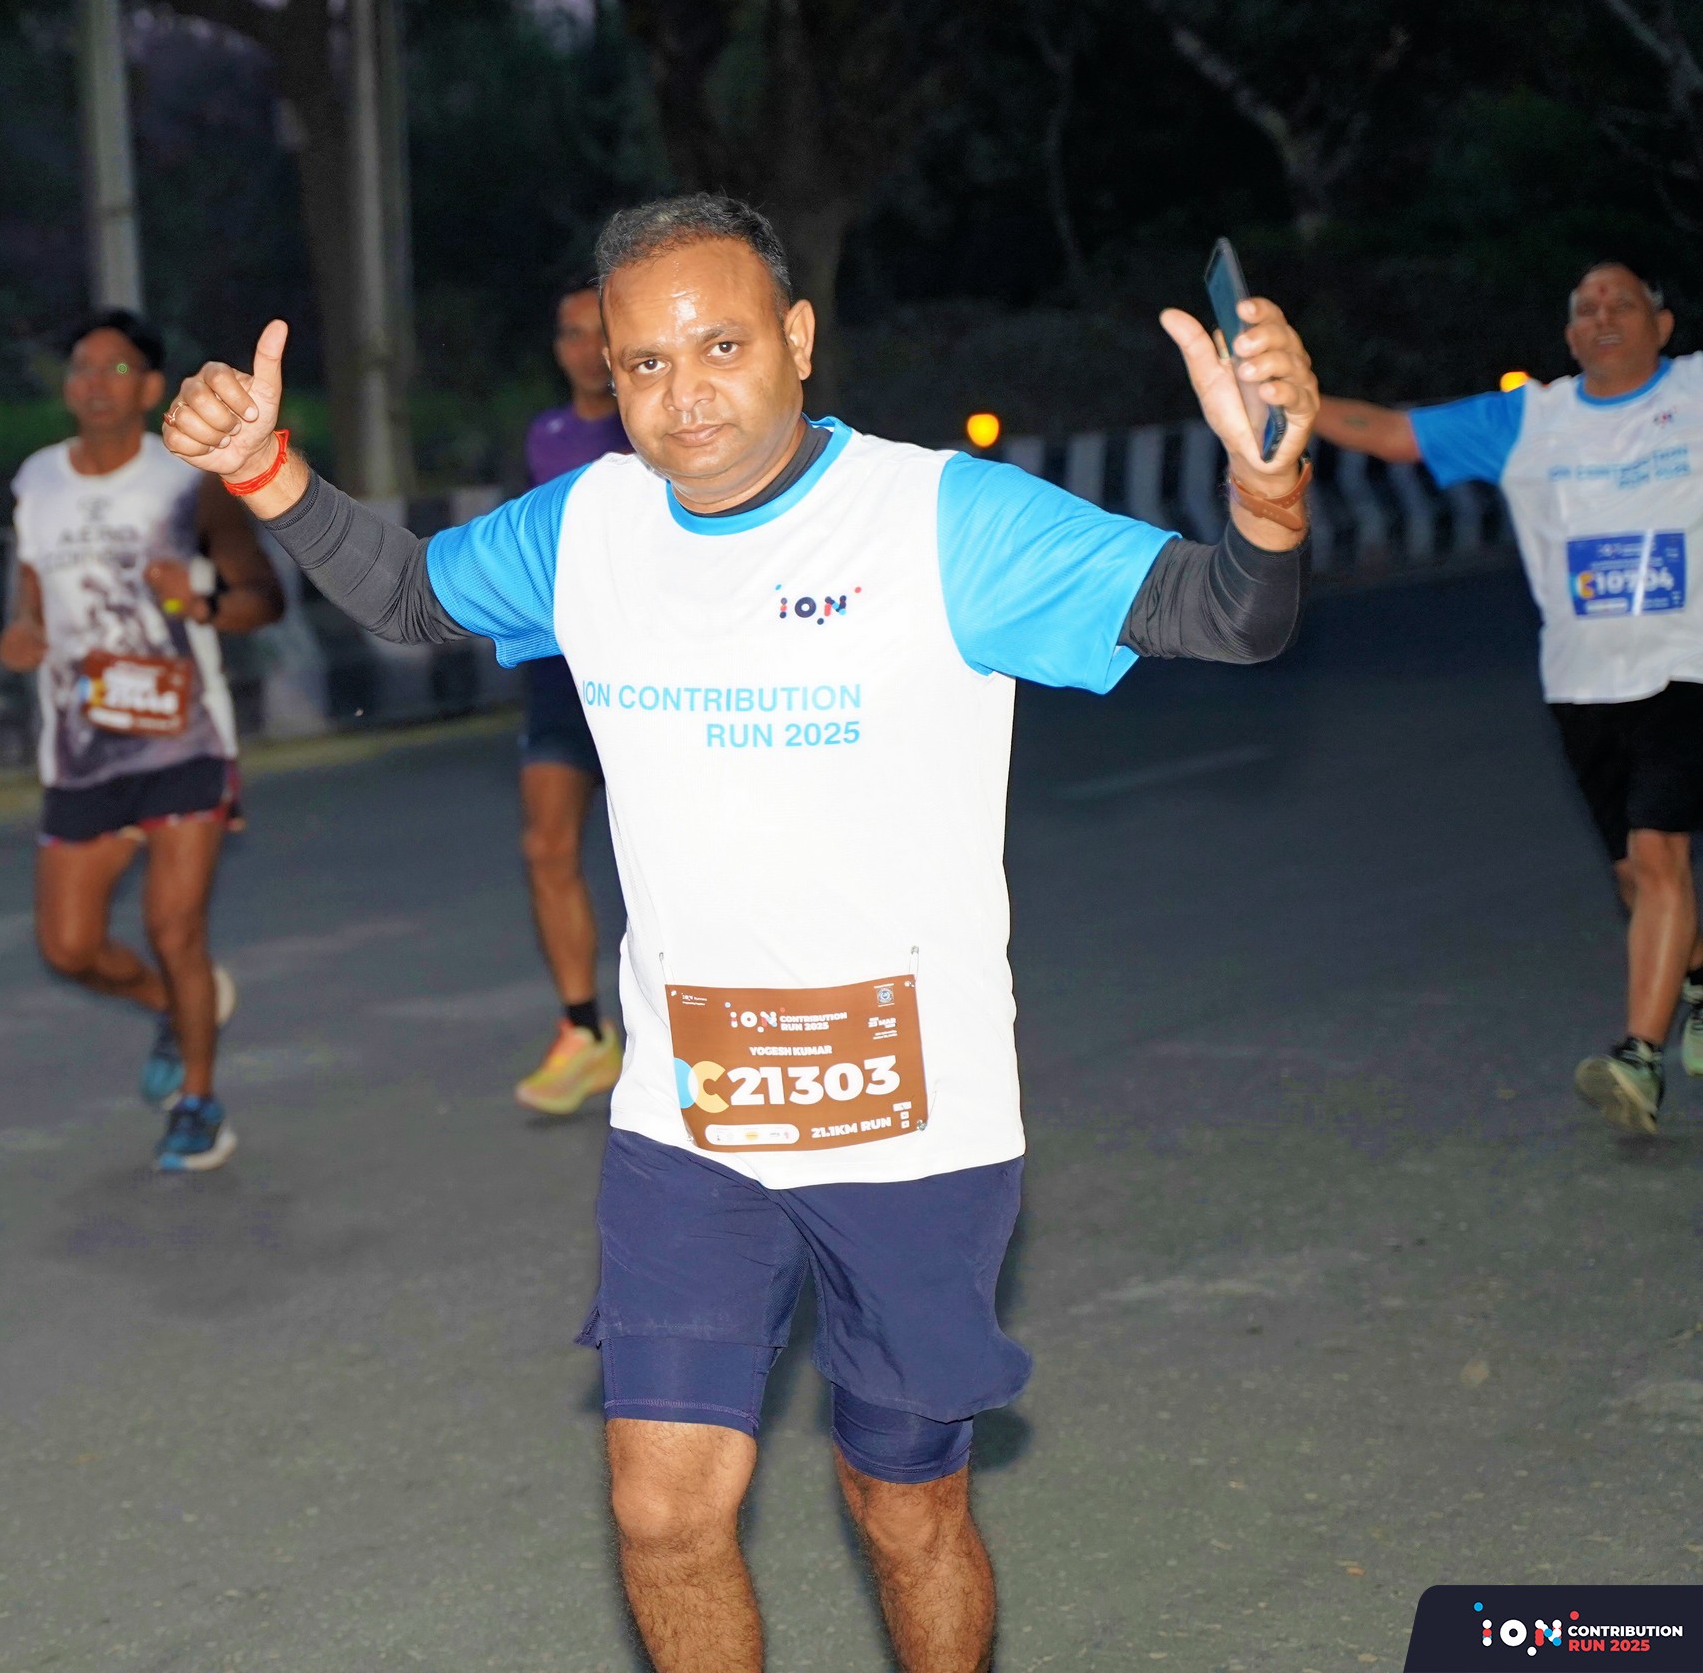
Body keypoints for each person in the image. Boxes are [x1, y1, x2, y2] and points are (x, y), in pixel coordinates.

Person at [161, 194, 1318, 1673]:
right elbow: (409, 591)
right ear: (610, 377)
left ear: (799, 337)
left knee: (902, 1510)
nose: (684, 393)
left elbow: (1230, 615)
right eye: (645, 363)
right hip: (691, 1120)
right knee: (662, 1513)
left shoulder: (943, 520)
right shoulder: (589, 526)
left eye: (721, 346)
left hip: (914, 1125)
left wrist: (1268, 498)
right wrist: (264, 469)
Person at [1316, 262, 1703, 1136]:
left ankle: (1639, 1058)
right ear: (1569, 337)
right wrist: (1291, 403)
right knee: (1634, 877)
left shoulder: (1696, 394)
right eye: (1585, 307)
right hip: (1581, 682)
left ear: (1662, 325)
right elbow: (1390, 431)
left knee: (1659, 853)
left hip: (1687, 669)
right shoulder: (1530, 418)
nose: (1603, 315)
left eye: (1623, 302)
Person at [0, 310, 282, 1171]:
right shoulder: (36, 482)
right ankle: (174, 1007)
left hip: (181, 739)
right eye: (82, 369)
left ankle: (198, 1102)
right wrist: (22, 634)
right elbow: (32, 602)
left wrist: (197, 599)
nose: (95, 384)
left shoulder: (186, 480)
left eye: (115, 369)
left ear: (151, 387)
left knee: (174, 925)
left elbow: (261, 597)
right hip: (81, 747)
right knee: (69, 947)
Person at [511, 285, 636, 1116]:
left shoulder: (657, 427)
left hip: (653, 671)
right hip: (562, 670)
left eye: (605, 333)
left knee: (674, 853)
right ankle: (585, 1031)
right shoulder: (539, 438)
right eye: (574, 334)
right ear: (558, 348)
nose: (590, 349)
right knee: (547, 844)